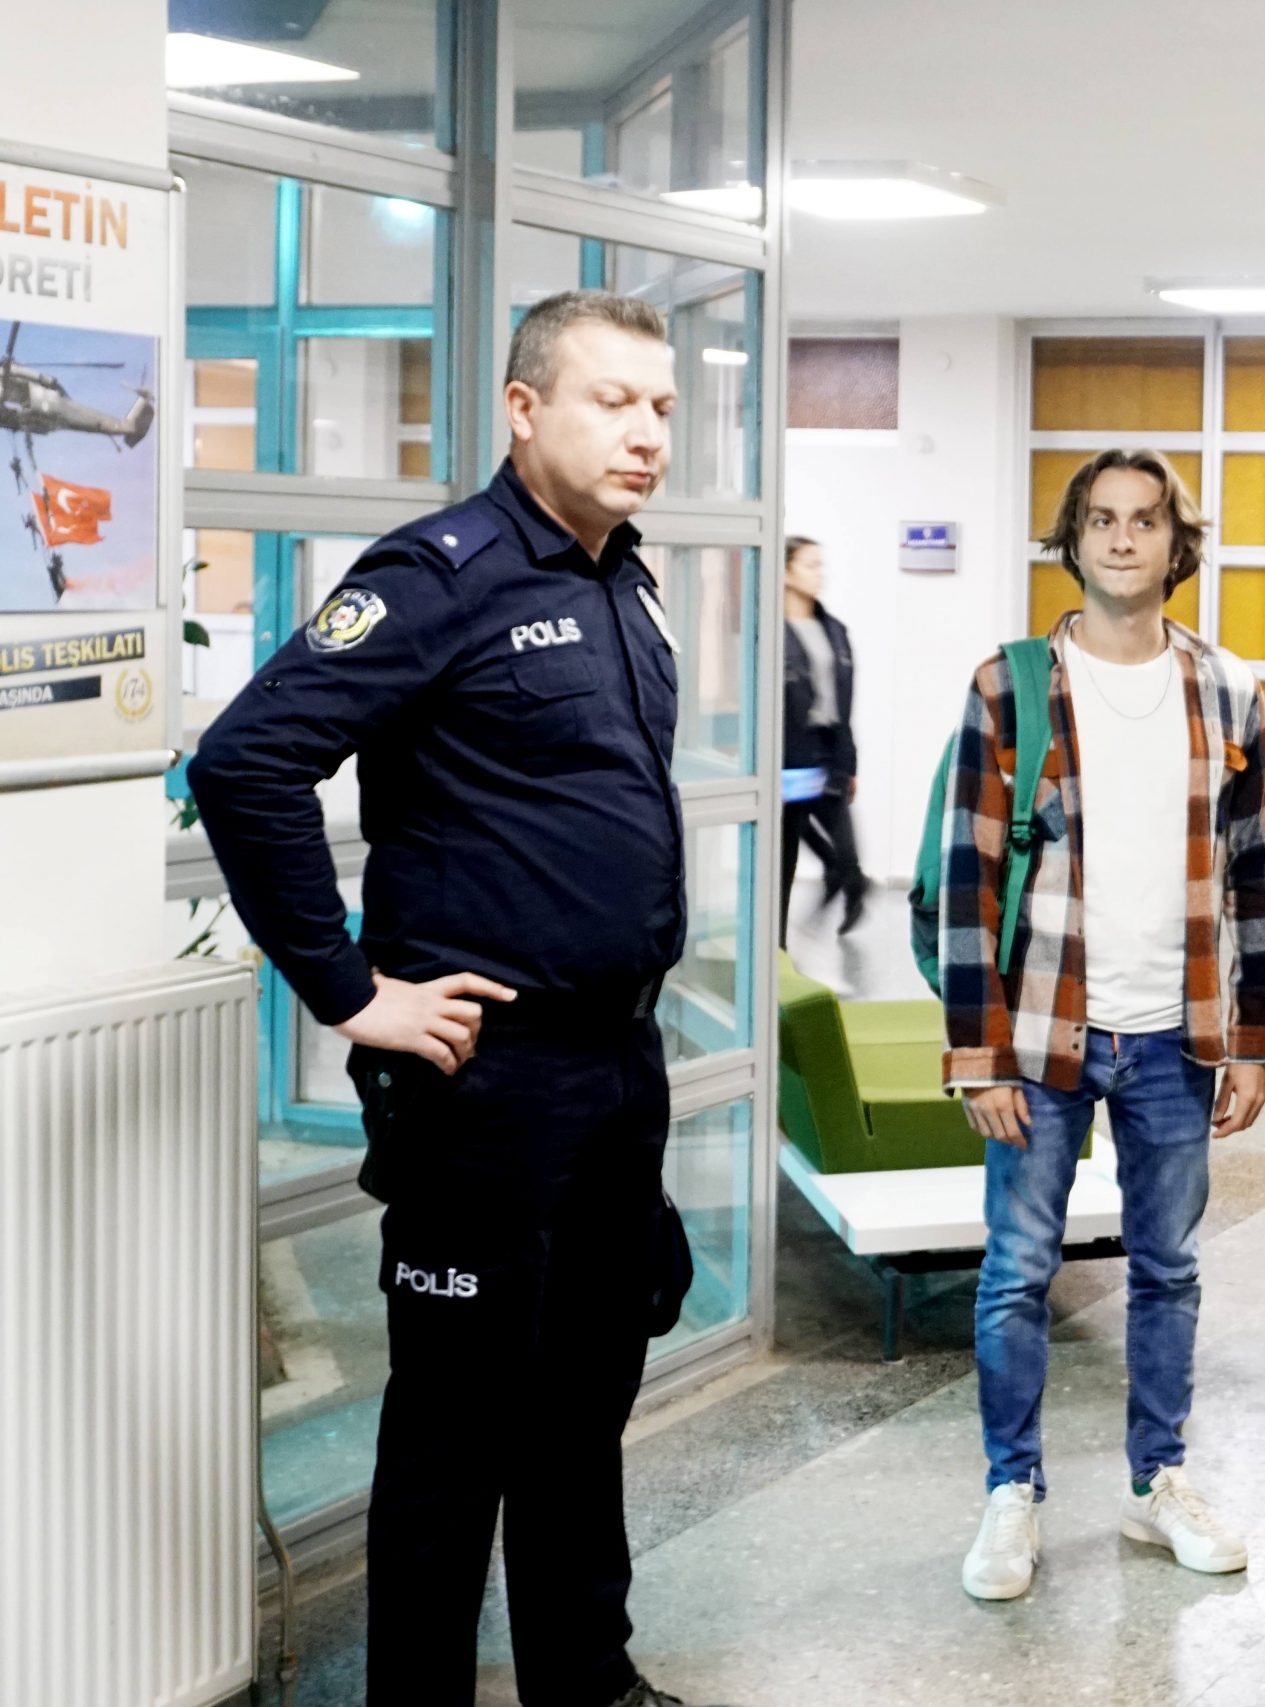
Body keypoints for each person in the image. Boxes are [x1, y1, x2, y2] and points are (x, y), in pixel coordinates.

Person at [189, 290, 721, 1707]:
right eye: (613, 400)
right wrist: (349, 990)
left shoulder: (626, 584)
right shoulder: (441, 576)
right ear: (523, 407)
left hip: (615, 1064)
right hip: (487, 1079)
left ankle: (585, 1680)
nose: (648, 433)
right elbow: (246, 763)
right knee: (455, 1426)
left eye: (663, 406)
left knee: (585, 1396)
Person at [939, 447, 1265, 1602]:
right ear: (1073, 540)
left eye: (1144, 520)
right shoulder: (1011, 686)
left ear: (1177, 545)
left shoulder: (1227, 688)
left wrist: (1253, 1038)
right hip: (1042, 1035)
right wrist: (979, 1052)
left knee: (1168, 1269)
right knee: (1016, 1271)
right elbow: (967, 877)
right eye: (1100, 520)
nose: (1123, 538)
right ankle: (1012, 1491)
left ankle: (1156, 1483)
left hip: (1176, 1040)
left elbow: (1256, 874)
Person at [779, 534, 862, 941]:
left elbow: (845, 704)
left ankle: (848, 883)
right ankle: (776, 943)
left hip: (828, 750)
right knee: (784, 859)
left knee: (846, 851)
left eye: (821, 565)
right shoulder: (770, 631)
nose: (819, 574)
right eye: (810, 565)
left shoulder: (835, 631)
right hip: (790, 754)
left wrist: (850, 763)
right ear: (785, 572)